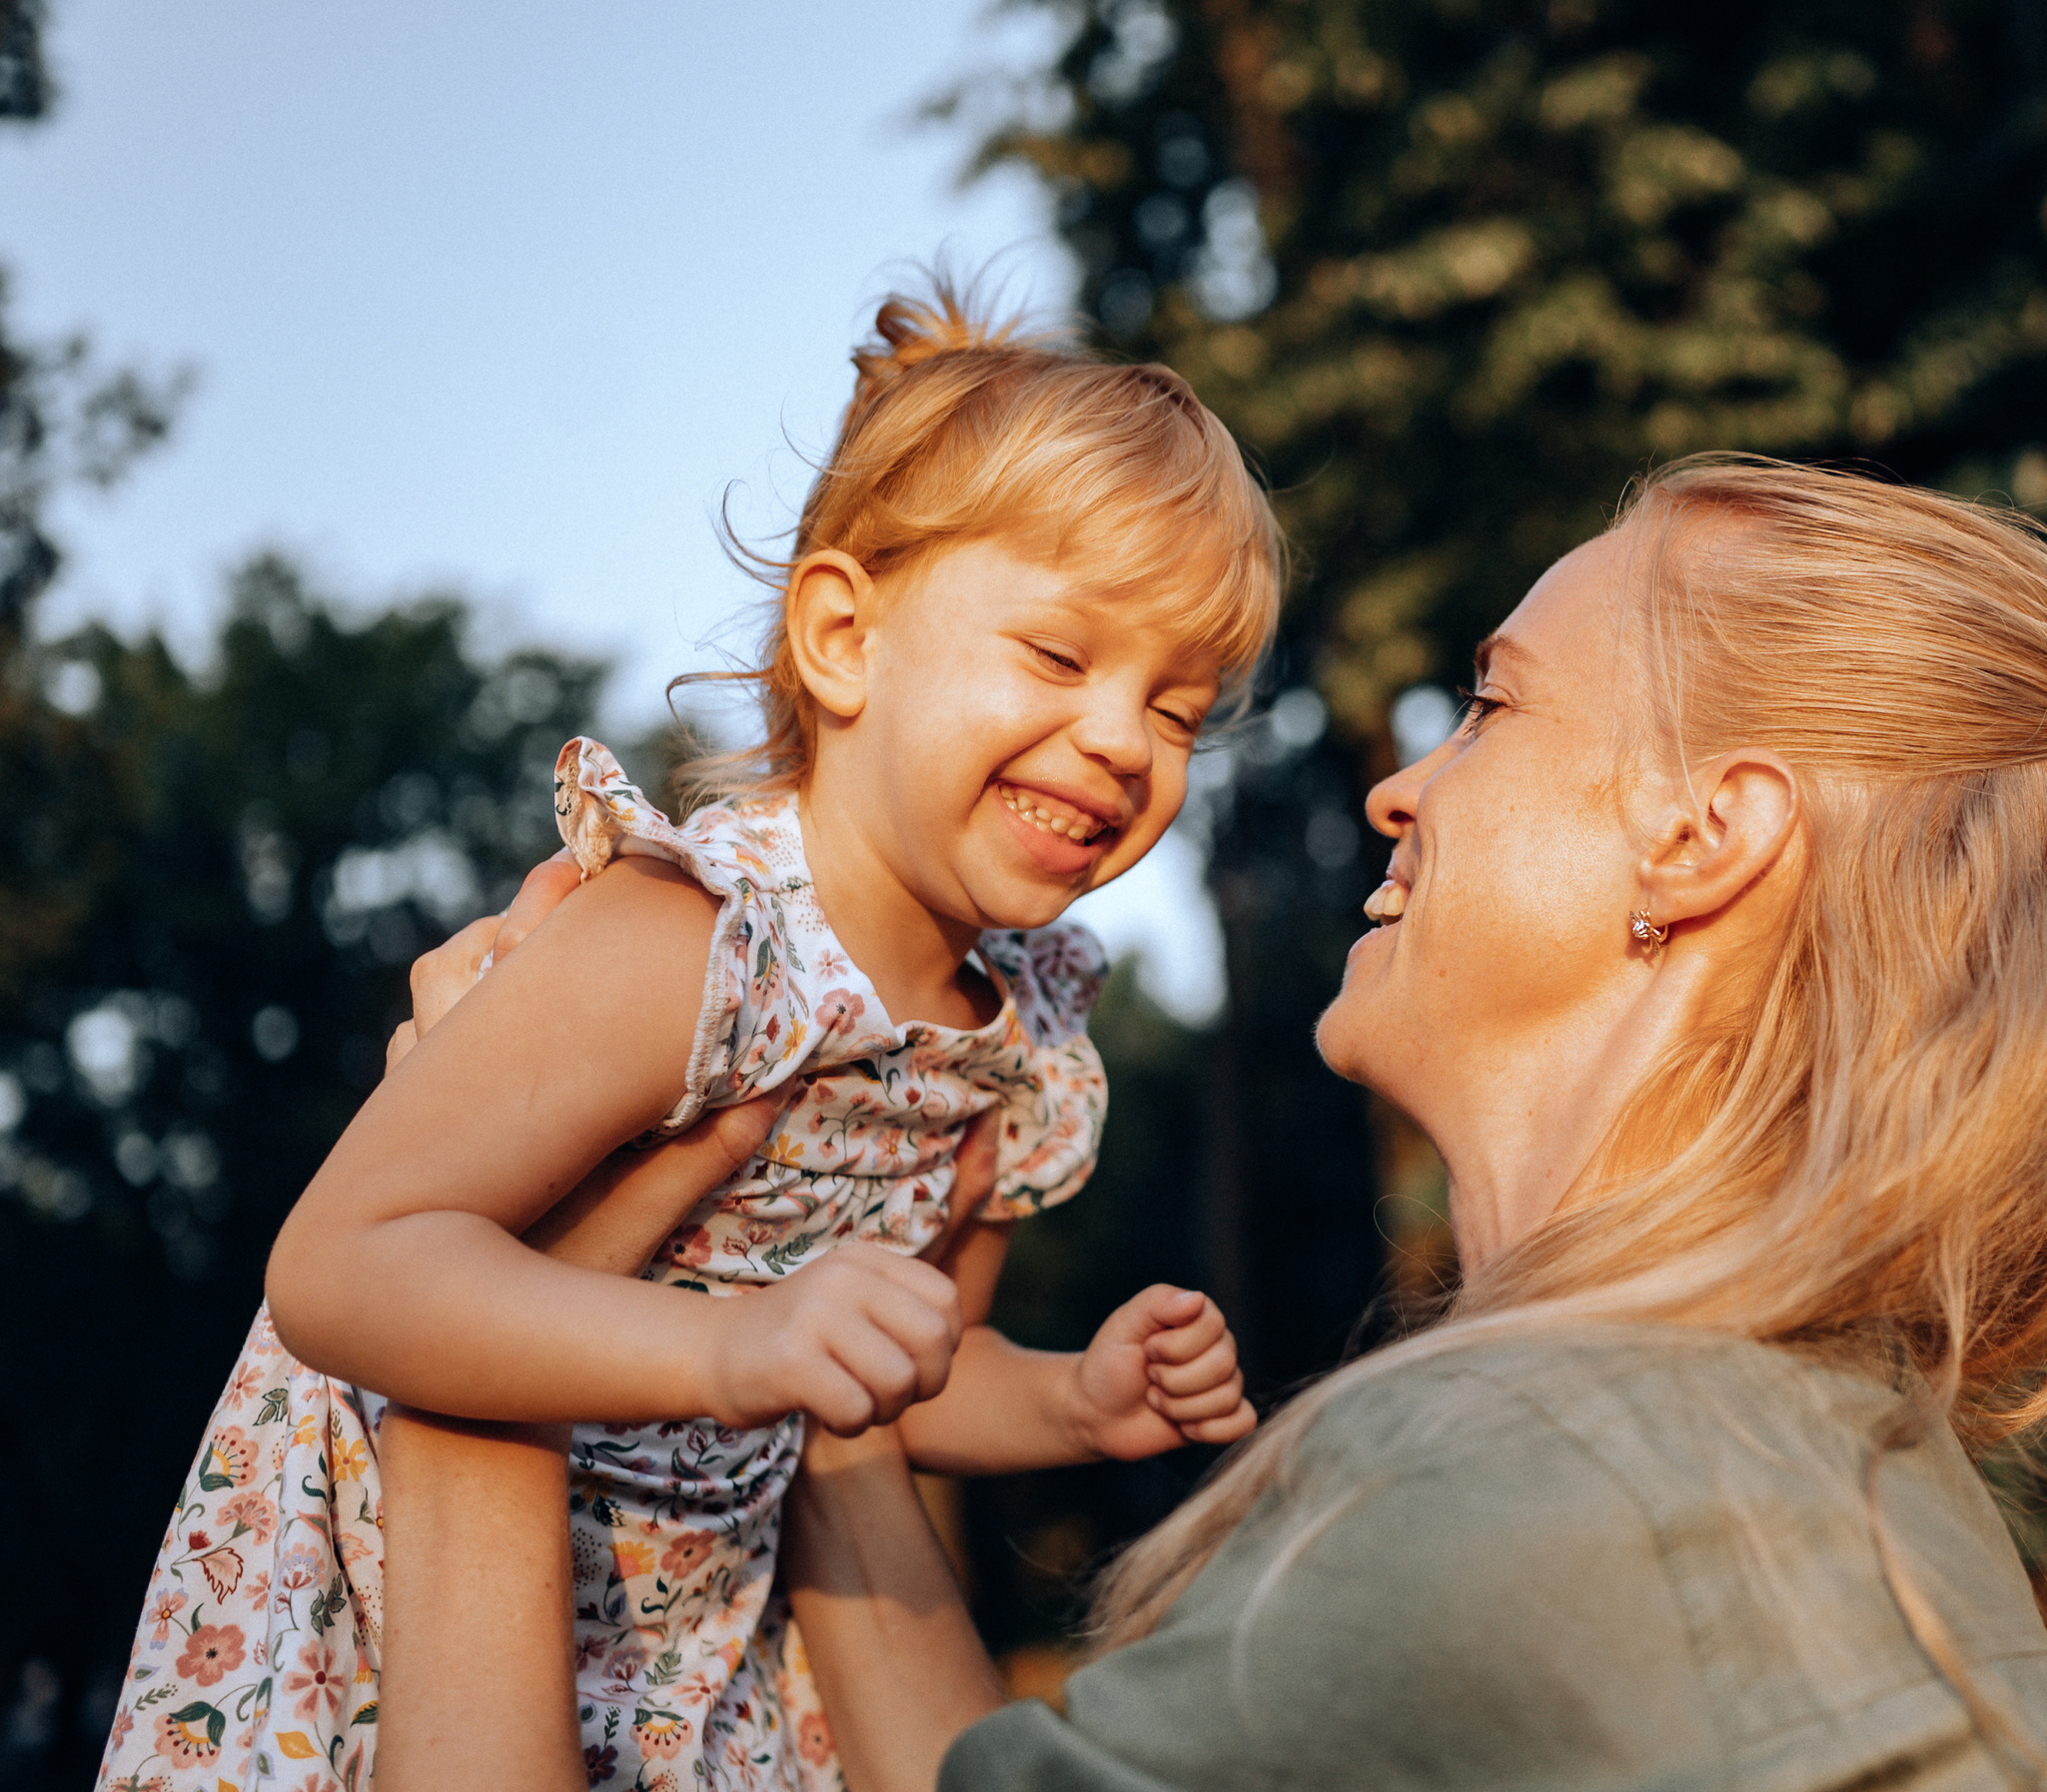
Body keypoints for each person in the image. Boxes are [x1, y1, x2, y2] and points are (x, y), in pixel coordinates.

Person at [242, 455, 2047, 1792]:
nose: (1396, 778)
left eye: (1496, 704)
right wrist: (799, 1376)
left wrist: (472, 1356)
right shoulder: (1769, 1472)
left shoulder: (1542, 1503)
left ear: (1699, 843)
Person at [97, 286, 1276, 1792]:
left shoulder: (1021, 1046)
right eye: (1060, 658)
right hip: (391, 1610)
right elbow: (344, 1263)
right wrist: (731, 1344)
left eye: (1179, 707)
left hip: (703, 1636)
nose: (1124, 738)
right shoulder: (695, 936)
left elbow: (908, 1367)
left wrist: (1065, 1396)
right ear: (846, 638)